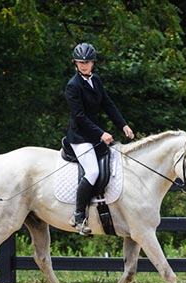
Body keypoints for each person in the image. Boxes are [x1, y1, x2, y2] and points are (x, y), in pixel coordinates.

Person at [65, 43, 134, 235]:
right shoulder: (73, 85)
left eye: (87, 62)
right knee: (93, 171)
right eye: (81, 62)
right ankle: (78, 216)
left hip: (94, 135)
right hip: (80, 137)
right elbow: (79, 116)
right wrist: (101, 133)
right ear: (75, 63)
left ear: (93, 63)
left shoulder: (96, 81)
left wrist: (123, 124)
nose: (84, 65)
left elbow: (107, 104)